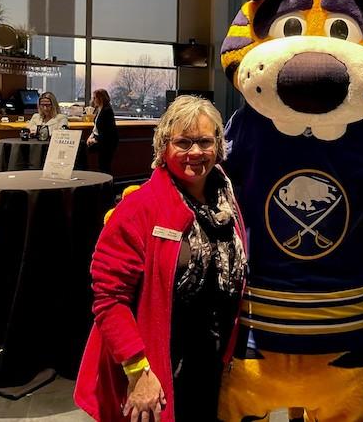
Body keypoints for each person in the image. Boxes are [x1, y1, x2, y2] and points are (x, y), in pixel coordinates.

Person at [74, 95, 247, 422]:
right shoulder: (137, 209)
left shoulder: (228, 204)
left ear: (218, 145)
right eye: (183, 142)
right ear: (164, 147)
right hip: (160, 366)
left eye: (205, 141)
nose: (195, 152)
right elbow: (109, 298)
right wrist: (138, 372)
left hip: (213, 362)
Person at [86, 89, 119, 174]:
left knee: (104, 166)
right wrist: (90, 137)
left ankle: (105, 184)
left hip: (107, 142)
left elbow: (107, 132)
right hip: (100, 140)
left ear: (100, 98)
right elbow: (96, 128)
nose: (93, 100)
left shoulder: (107, 111)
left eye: (95, 98)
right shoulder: (99, 109)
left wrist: (94, 140)